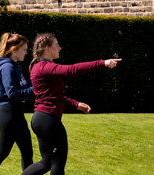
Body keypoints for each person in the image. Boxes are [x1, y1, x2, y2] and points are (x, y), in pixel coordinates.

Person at [21, 33, 121, 175]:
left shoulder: (38, 66)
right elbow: (71, 70)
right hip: (49, 121)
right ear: (48, 48)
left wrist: (75, 104)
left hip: (41, 119)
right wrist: (102, 63)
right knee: (57, 164)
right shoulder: (44, 66)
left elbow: (54, 96)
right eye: (57, 45)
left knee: (47, 162)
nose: (60, 48)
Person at [0, 33, 34, 175]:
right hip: (9, 114)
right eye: (24, 49)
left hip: (16, 114)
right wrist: (35, 89)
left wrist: (36, 81)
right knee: (2, 153)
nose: (26, 52)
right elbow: (12, 93)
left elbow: (22, 86)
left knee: (27, 151)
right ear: (14, 49)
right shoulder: (7, 67)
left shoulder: (14, 66)